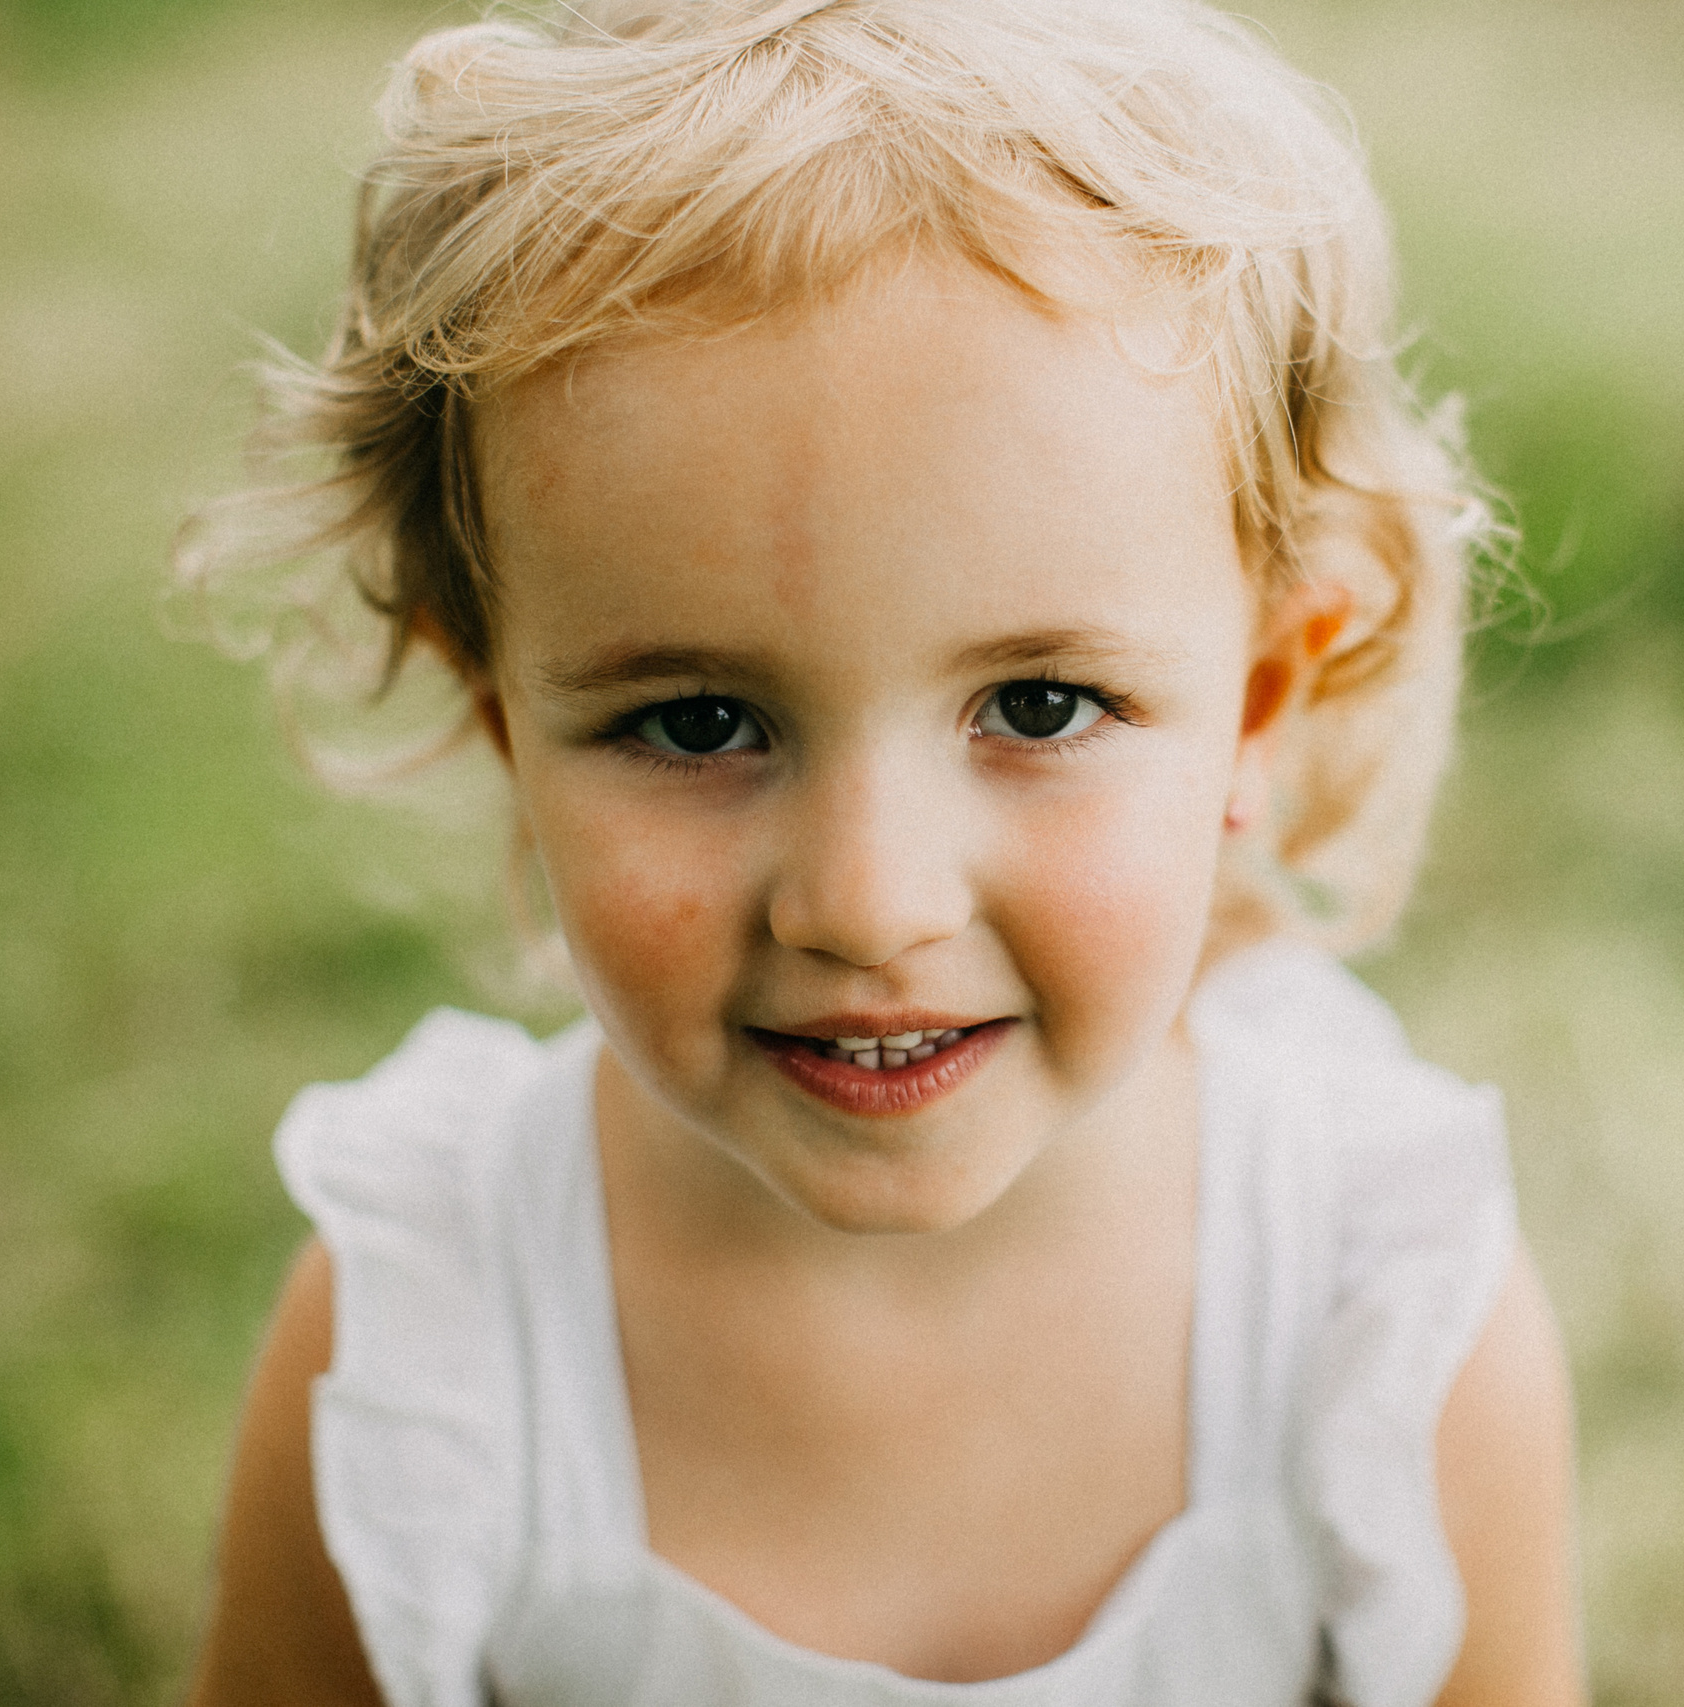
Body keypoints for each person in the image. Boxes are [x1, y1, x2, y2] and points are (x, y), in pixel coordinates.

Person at [177, 1, 1583, 1702]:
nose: (866, 902)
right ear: (502, 726)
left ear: (1261, 702)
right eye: (697, 724)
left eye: (1045, 707)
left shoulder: (1383, 1325)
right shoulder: (423, 1349)